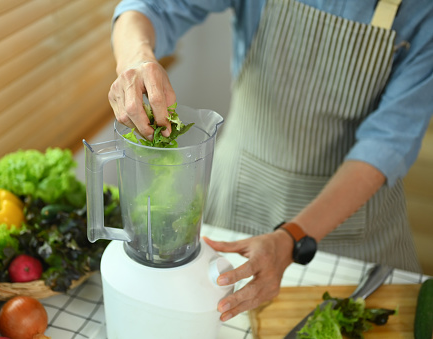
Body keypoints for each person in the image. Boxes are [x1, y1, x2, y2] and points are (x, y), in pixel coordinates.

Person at [108, 0, 433, 322]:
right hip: (237, 197)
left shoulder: (422, 12)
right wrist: (136, 60)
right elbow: (151, 7)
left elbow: (386, 144)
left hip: (353, 223)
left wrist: (292, 238)